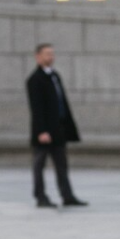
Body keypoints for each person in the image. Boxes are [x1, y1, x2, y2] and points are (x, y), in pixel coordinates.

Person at [26, 44, 86, 208]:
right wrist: (42, 131)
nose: (51, 57)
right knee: (39, 165)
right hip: (44, 132)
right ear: (38, 57)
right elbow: (36, 108)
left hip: (58, 129)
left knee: (62, 165)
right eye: (47, 54)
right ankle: (40, 196)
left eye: (52, 54)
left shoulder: (55, 76)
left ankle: (67, 195)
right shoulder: (34, 80)